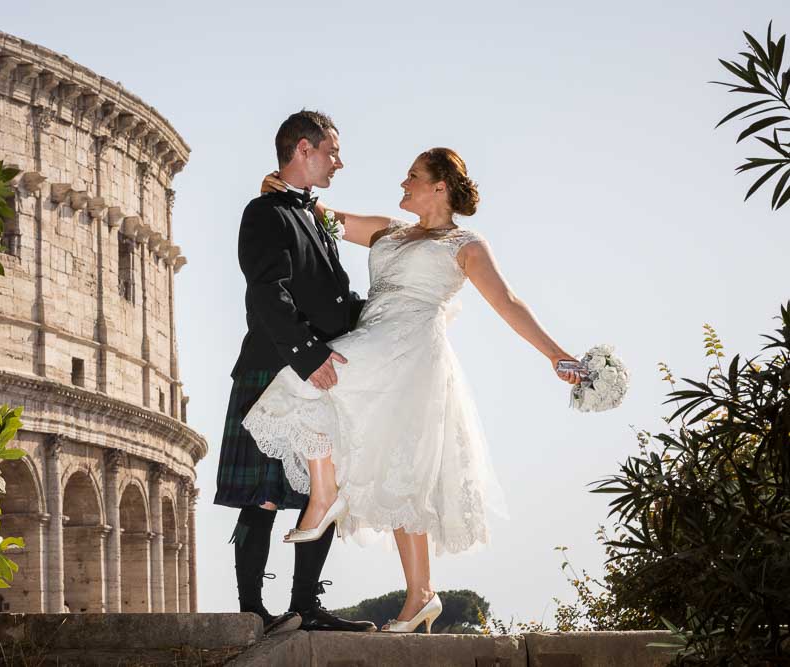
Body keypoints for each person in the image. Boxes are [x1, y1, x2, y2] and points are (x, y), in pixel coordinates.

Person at [242, 147, 584, 633]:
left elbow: (507, 301)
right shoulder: (387, 229)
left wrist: (556, 354)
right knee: (398, 466)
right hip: (373, 337)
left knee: (307, 390)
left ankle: (324, 496)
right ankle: (421, 593)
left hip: (414, 350)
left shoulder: (466, 244)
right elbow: (317, 214)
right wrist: (280, 188)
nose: (403, 183)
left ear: (440, 186)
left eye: (413, 176)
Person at [214, 110, 376, 634]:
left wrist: (391, 324)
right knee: (261, 495)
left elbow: (332, 301)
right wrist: (310, 355)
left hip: (315, 375)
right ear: (303, 149)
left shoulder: (313, 217)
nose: (339, 161)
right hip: (274, 368)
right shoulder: (265, 214)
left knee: (318, 491)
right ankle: (252, 612)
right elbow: (268, 294)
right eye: (332, 151)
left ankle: (306, 607)